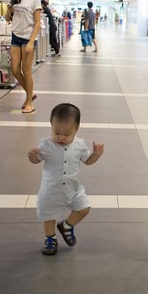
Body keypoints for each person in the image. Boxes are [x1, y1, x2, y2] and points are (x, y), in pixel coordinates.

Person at [28, 103, 104, 255]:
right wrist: (32, 156)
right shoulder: (46, 145)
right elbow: (36, 160)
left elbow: (87, 161)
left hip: (73, 189)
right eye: (56, 132)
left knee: (84, 208)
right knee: (48, 215)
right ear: (51, 125)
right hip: (51, 190)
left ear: (76, 129)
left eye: (67, 134)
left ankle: (67, 226)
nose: (61, 137)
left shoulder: (79, 145)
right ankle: (50, 239)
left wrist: (96, 155)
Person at [5, 0, 41, 113]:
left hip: (28, 37)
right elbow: (7, 19)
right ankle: (30, 93)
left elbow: (37, 22)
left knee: (26, 71)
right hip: (15, 36)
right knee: (14, 69)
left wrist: (31, 42)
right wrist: (9, 11)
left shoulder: (34, 0)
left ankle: (29, 102)